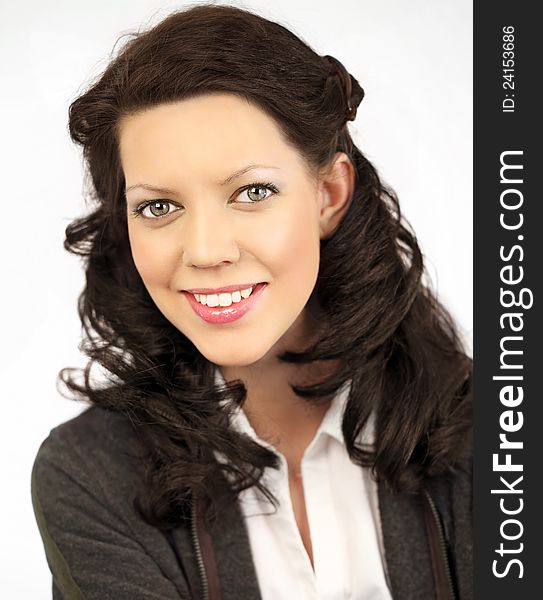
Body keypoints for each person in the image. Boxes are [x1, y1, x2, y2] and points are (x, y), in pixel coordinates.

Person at [31, 4, 472, 599]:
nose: (206, 250)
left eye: (251, 192)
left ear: (328, 194)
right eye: (158, 207)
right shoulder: (88, 473)